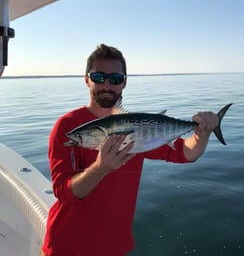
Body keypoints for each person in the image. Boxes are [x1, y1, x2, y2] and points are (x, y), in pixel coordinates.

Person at [41, 44, 219, 256]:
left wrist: (201, 134)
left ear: (124, 82)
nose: (107, 85)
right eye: (99, 77)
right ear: (86, 79)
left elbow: (185, 154)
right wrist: (100, 168)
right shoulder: (68, 127)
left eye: (115, 79)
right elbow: (63, 193)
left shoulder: (142, 129)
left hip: (115, 248)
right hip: (66, 247)